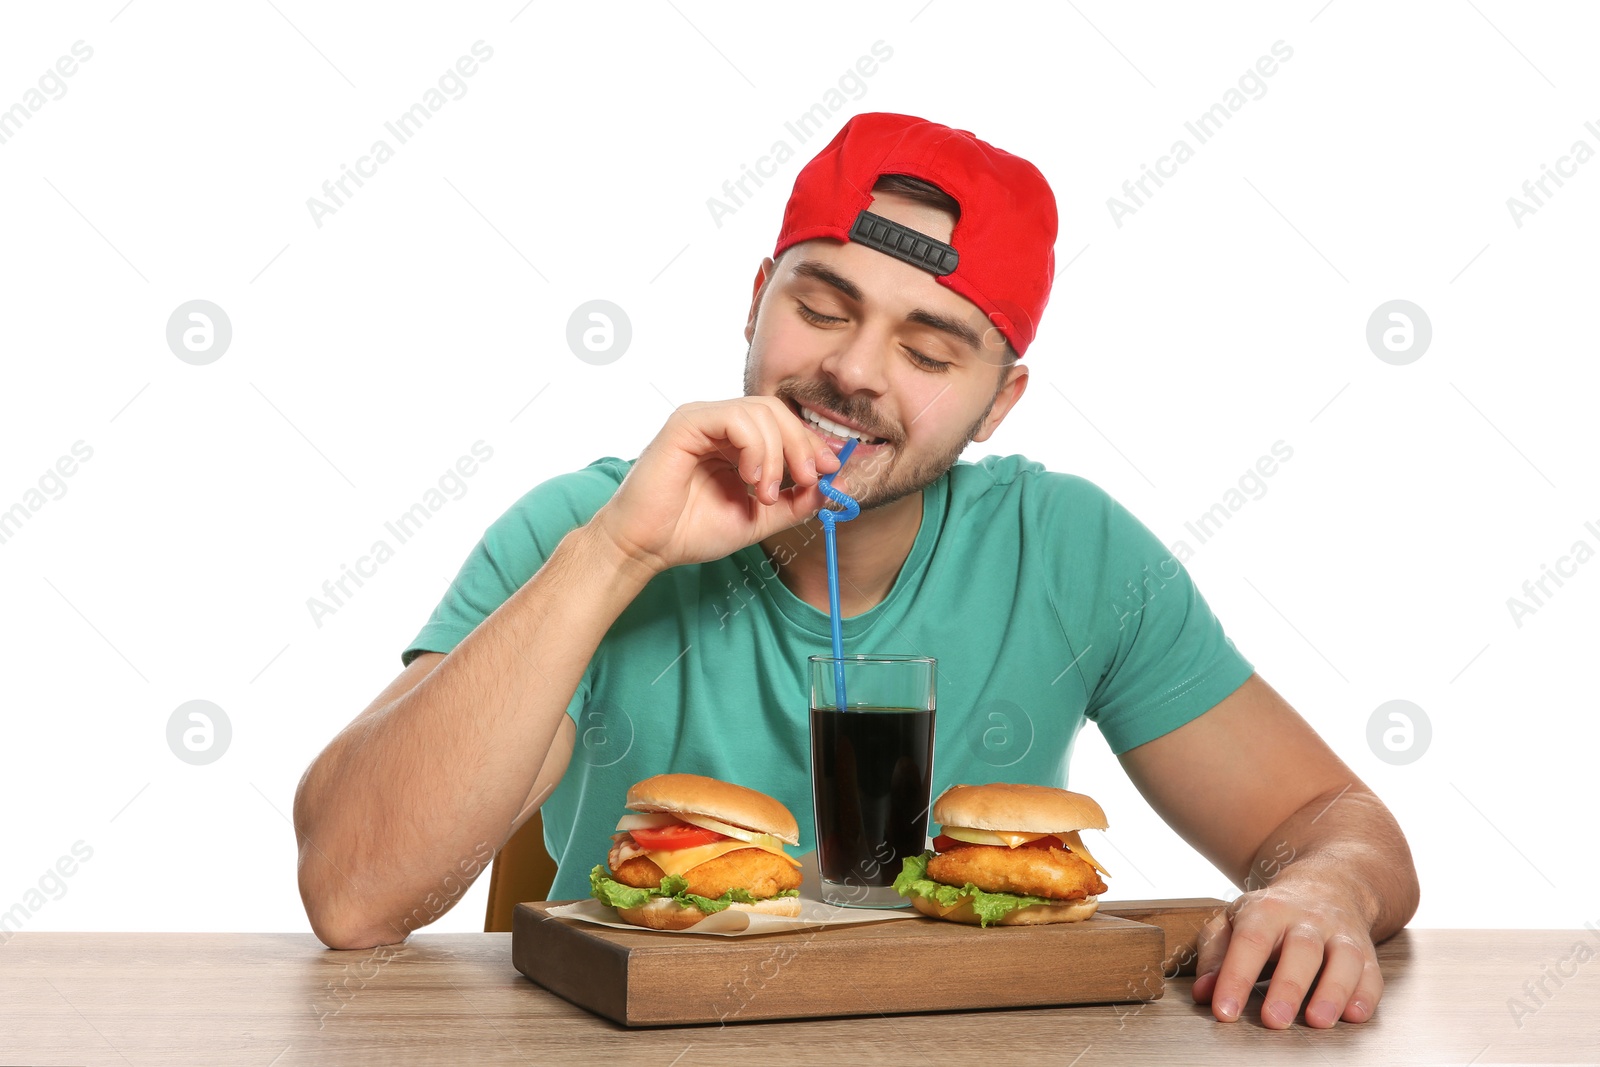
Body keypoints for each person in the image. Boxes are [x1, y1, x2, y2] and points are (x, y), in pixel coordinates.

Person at [293, 112, 1419, 1029]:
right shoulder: (585, 525)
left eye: (929, 351)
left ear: (1000, 400)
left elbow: (1333, 817)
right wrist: (617, 554)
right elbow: (354, 892)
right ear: (755, 300)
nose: (851, 372)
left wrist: (1320, 886)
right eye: (820, 307)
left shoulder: (1069, 549)